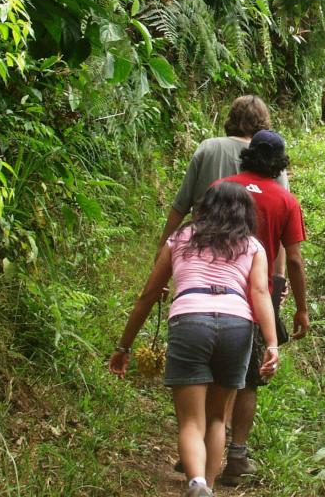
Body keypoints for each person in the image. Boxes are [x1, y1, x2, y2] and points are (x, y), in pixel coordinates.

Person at [110, 182, 280, 497]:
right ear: (245, 215)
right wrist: (270, 344)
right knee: (217, 418)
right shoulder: (253, 246)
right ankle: (209, 489)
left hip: (190, 319)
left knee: (190, 421)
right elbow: (259, 293)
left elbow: (149, 295)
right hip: (236, 324)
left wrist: (124, 346)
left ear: (203, 209)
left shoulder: (180, 238)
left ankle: (196, 483)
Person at [216, 129, 309, 486]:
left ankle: (199, 448)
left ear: (249, 155)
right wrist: (301, 308)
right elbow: (296, 261)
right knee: (248, 379)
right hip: (259, 295)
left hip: (215, 288)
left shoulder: (221, 188)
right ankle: (235, 458)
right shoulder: (285, 200)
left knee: (214, 371)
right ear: (281, 163)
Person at [159, 95, 287, 248]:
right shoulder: (272, 158)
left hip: (202, 246)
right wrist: (278, 270)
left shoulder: (208, 148)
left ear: (231, 119)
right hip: (251, 255)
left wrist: (162, 245)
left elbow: (181, 205)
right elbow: (281, 218)